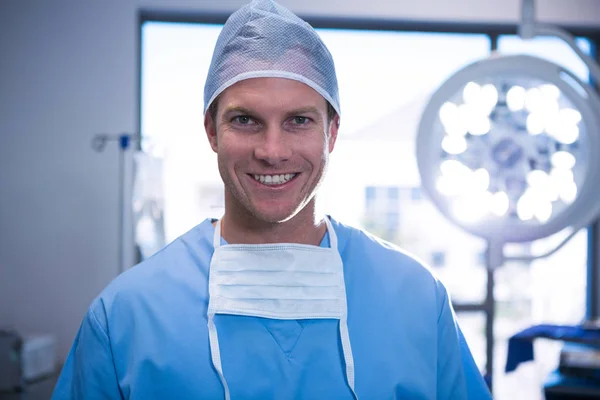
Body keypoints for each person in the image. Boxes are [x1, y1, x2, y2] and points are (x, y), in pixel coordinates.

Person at [52, 1, 493, 399]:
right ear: (211, 131)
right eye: (245, 120)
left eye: (299, 120)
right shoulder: (126, 315)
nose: (272, 151)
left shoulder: (415, 298)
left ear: (331, 132)